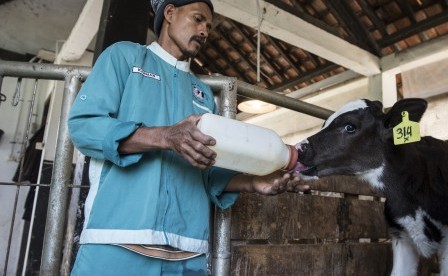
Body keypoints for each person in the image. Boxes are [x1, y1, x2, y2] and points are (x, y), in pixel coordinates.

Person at [68, 0, 309, 275]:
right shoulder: (124, 58)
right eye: (198, 19)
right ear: (169, 13)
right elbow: (84, 127)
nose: (205, 30)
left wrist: (255, 182)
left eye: (208, 26)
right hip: (117, 243)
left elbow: (209, 172)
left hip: (188, 255)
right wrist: (165, 137)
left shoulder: (203, 94)